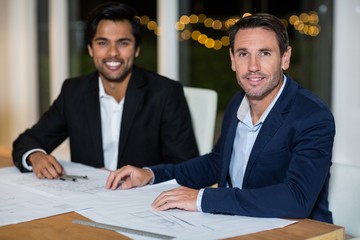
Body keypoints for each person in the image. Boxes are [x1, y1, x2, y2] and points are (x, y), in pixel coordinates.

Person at [105, 13, 336, 224]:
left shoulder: (313, 116)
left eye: (265, 53)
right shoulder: (238, 101)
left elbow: (296, 198)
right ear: (233, 60)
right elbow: (216, 163)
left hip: (300, 231)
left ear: (285, 58)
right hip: (240, 225)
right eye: (243, 54)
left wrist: (202, 199)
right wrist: (151, 174)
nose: (253, 66)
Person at [12, 2, 199, 179]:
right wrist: (36, 156)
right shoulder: (73, 92)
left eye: (123, 43)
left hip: (144, 202)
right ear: (90, 49)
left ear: (136, 50)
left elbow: (188, 166)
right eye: (103, 43)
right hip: (89, 202)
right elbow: (27, 141)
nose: (113, 53)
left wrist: (146, 176)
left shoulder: (166, 92)